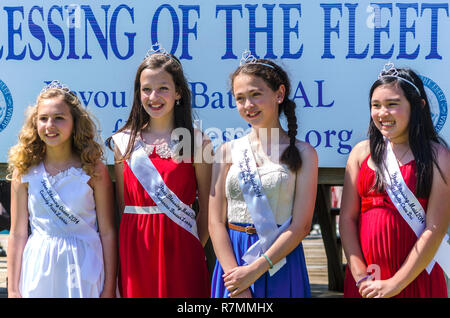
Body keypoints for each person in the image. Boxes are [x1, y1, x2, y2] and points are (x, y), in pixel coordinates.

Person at [209, 52, 318, 298]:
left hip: (278, 261)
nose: (248, 105)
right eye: (240, 98)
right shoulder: (226, 151)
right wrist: (236, 278)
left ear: (279, 94)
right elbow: (215, 222)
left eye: (256, 94)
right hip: (233, 263)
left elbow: (301, 226)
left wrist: (255, 270)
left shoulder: (304, 153)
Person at [107, 44, 211, 298]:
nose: (154, 97)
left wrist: (191, 246)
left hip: (182, 249)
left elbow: (209, 210)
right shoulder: (123, 142)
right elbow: (122, 206)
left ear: (178, 93)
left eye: (163, 88)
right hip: (135, 249)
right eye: (146, 89)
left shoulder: (197, 142)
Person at [339, 63, 450, 298]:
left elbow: (435, 228)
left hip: (417, 274)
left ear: (418, 107)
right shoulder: (360, 153)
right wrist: (359, 274)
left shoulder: (438, 156)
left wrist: (396, 284)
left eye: (392, 104)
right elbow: (347, 218)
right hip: (366, 279)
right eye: (376, 105)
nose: (382, 113)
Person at [7, 81, 117, 298]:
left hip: (84, 267)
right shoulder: (25, 171)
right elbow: (18, 233)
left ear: (75, 122)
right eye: (43, 118)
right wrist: (12, 289)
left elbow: (107, 232)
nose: (50, 125)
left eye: (59, 118)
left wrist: (110, 287)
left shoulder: (94, 170)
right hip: (39, 268)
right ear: (34, 124)